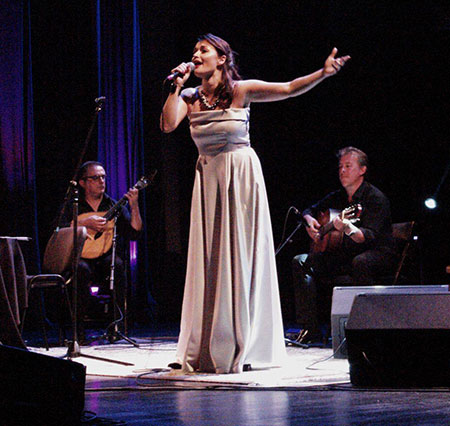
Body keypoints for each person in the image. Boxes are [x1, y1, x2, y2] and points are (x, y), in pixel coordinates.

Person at [160, 33, 350, 374]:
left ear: (221, 58)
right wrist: (176, 86)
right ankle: (205, 342)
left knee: (241, 254)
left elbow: (290, 88)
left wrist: (322, 73)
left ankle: (244, 342)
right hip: (208, 179)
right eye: (194, 50)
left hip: (240, 176)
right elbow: (168, 124)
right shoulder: (188, 96)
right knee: (209, 259)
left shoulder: (240, 90)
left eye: (203, 49)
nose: (196, 54)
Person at [292, 147, 397, 343]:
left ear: (362, 170)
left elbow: (368, 237)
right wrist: (309, 221)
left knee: (361, 262)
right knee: (301, 261)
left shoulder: (375, 199)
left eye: (348, 166)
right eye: (340, 166)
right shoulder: (337, 196)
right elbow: (308, 210)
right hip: (343, 255)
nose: (342, 171)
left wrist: (347, 228)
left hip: (376, 253)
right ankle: (310, 330)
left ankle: (361, 329)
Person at [59, 161, 142, 342]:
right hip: (80, 257)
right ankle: (77, 332)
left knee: (118, 266)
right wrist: (85, 223)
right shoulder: (73, 205)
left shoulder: (113, 205)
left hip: (106, 257)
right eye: (95, 178)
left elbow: (134, 232)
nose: (101, 181)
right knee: (81, 270)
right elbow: (59, 229)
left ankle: (116, 327)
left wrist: (134, 205)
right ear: (83, 183)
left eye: (103, 177)